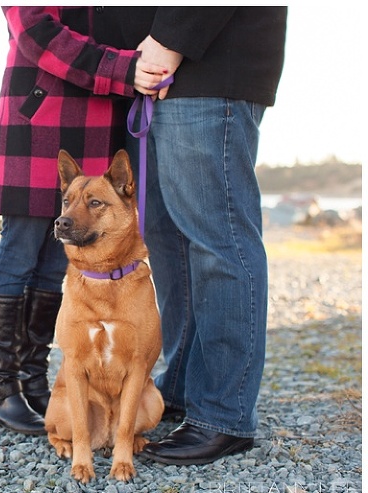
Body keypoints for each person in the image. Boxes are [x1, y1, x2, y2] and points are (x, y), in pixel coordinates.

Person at [0, 6, 168, 435]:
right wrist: (125, 69)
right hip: (40, 119)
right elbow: (36, 30)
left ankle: (33, 381)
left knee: (54, 265)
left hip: (96, 122)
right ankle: (0, 391)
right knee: (18, 252)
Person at [120, 6, 288, 464]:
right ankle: (182, 386)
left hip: (205, 65)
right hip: (153, 74)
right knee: (169, 242)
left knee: (220, 241)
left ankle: (222, 414)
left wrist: (170, 40)